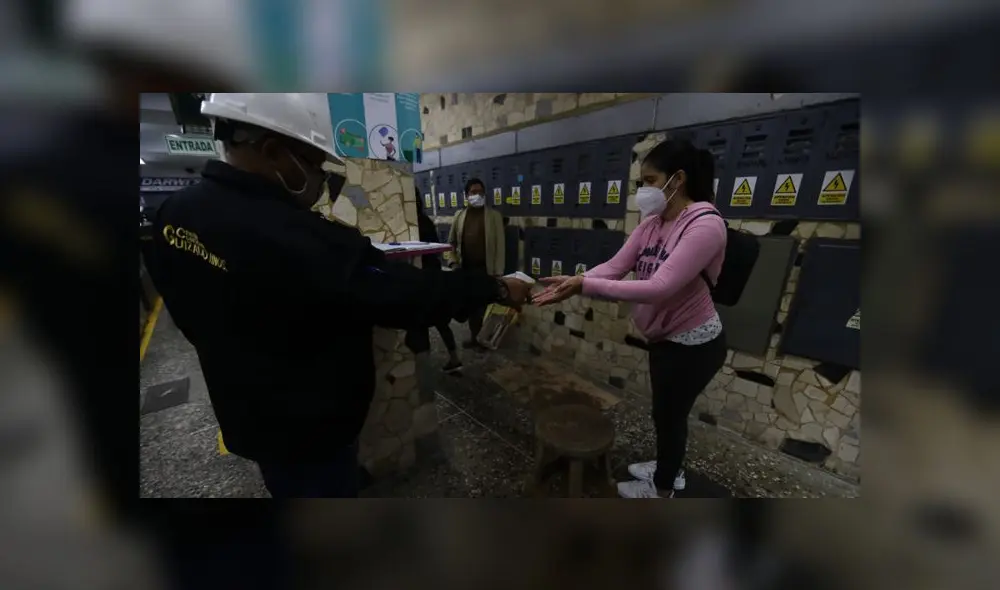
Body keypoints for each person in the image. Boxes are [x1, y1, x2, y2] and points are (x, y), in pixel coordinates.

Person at [146, 94, 532, 498]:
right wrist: (496, 286)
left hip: (250, 418)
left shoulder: (175, 214)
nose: (319, 179)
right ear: (274, 151)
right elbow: (409, 294)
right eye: (314, 164)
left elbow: (186, 317)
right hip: (310, 433)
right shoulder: (302, 238)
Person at [533, 139, 728, 499]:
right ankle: (668, 467)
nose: (643, 190)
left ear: (678, 179)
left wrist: (585, 285)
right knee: (664, 414)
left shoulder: (705, 224)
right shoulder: (653, 223)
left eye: (650, 180)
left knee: (669, 418)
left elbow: (660, 286)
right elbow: (617, 266)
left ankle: (665, 487)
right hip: (664, 339)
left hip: (694, 345)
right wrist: (576, 282)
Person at [404, 189, 463, 373]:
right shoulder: (425, 221)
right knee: (440, 320)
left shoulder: (412, 224)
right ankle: (454, 358)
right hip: (432, 277)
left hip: (421, 279)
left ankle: (425, 367)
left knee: (422, 323)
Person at [445, 178, 506, 349]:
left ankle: (482, 339)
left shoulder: (494, 216)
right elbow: (450, 243)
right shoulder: (459, 216)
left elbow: (500, 246)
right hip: (466, 271)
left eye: (480, 192)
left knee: (482, 307)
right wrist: (452, 263)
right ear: (466, 195)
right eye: (473, 192)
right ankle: (474, 338)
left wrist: (498, 272)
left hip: (486, 270)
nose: (477, 195)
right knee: (471, 308)